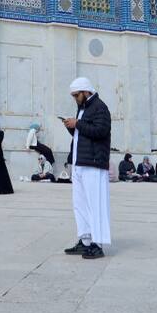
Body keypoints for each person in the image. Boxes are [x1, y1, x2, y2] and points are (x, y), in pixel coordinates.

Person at [62, 77, 111, 260]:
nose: (75, 98)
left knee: (95, 205)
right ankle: (85, 241)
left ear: (85, 91)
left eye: (76, 95)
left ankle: (97, 244)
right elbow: (82, 133)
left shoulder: (100, 107)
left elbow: (101, 131)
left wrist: (78, 124)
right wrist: (71, 126)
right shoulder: (83, 108)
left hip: (94, 164)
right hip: (80, 163)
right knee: (80, 204)